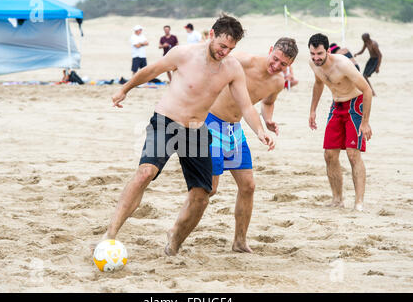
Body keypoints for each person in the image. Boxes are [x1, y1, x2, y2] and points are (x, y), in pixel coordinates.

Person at [101, 15, 275, 256]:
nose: (225, 52)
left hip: (196, 130)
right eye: (222, 46)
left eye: (231, 48)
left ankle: (174, 241)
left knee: (203, 195)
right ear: (211, 35)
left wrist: (261, 131)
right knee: (145, 173)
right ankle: (110, 235)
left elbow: (246, 106)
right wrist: (124, 90)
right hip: (167, 123)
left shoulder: (232, 68)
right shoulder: (183, 54)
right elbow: (150, 70)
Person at [207, 37, 298, 253]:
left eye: (283, 64)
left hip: (233, 130)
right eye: (274, 59)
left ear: (289, 66)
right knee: (208, 189)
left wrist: (267, 121)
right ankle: (177, 231)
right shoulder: (241, 60)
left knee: (248, 186)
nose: (276, 66)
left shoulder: (277, 82)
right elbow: (208, 65)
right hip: (210, 123)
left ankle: (239, 241)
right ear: (270, 50)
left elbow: (267, 102)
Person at [308, 33, 373, 212]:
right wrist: (313, 110)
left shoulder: (343, 65)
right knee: (329, 154)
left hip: (355, 105)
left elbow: (366, 90)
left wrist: (365, 122)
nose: (316, 58)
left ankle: (359, 203)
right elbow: (318, 84)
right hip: (337, 105)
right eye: (313, 54)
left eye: (320, 54)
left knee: (353, 154)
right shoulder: (313, 64)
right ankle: (337, 199)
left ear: (328, 51)